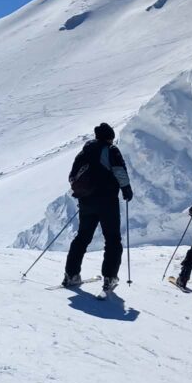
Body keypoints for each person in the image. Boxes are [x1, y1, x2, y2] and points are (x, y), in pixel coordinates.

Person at [63, 123, 133, 293]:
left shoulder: (85, 151)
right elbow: (119, 172)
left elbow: (72, 176)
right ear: (109, 137)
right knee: (112, 239)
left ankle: (71, 275)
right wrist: (127, 189)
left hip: (86, 201)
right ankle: (109, 278)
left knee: (82, 237)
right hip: (107, 201)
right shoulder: (111, 150)